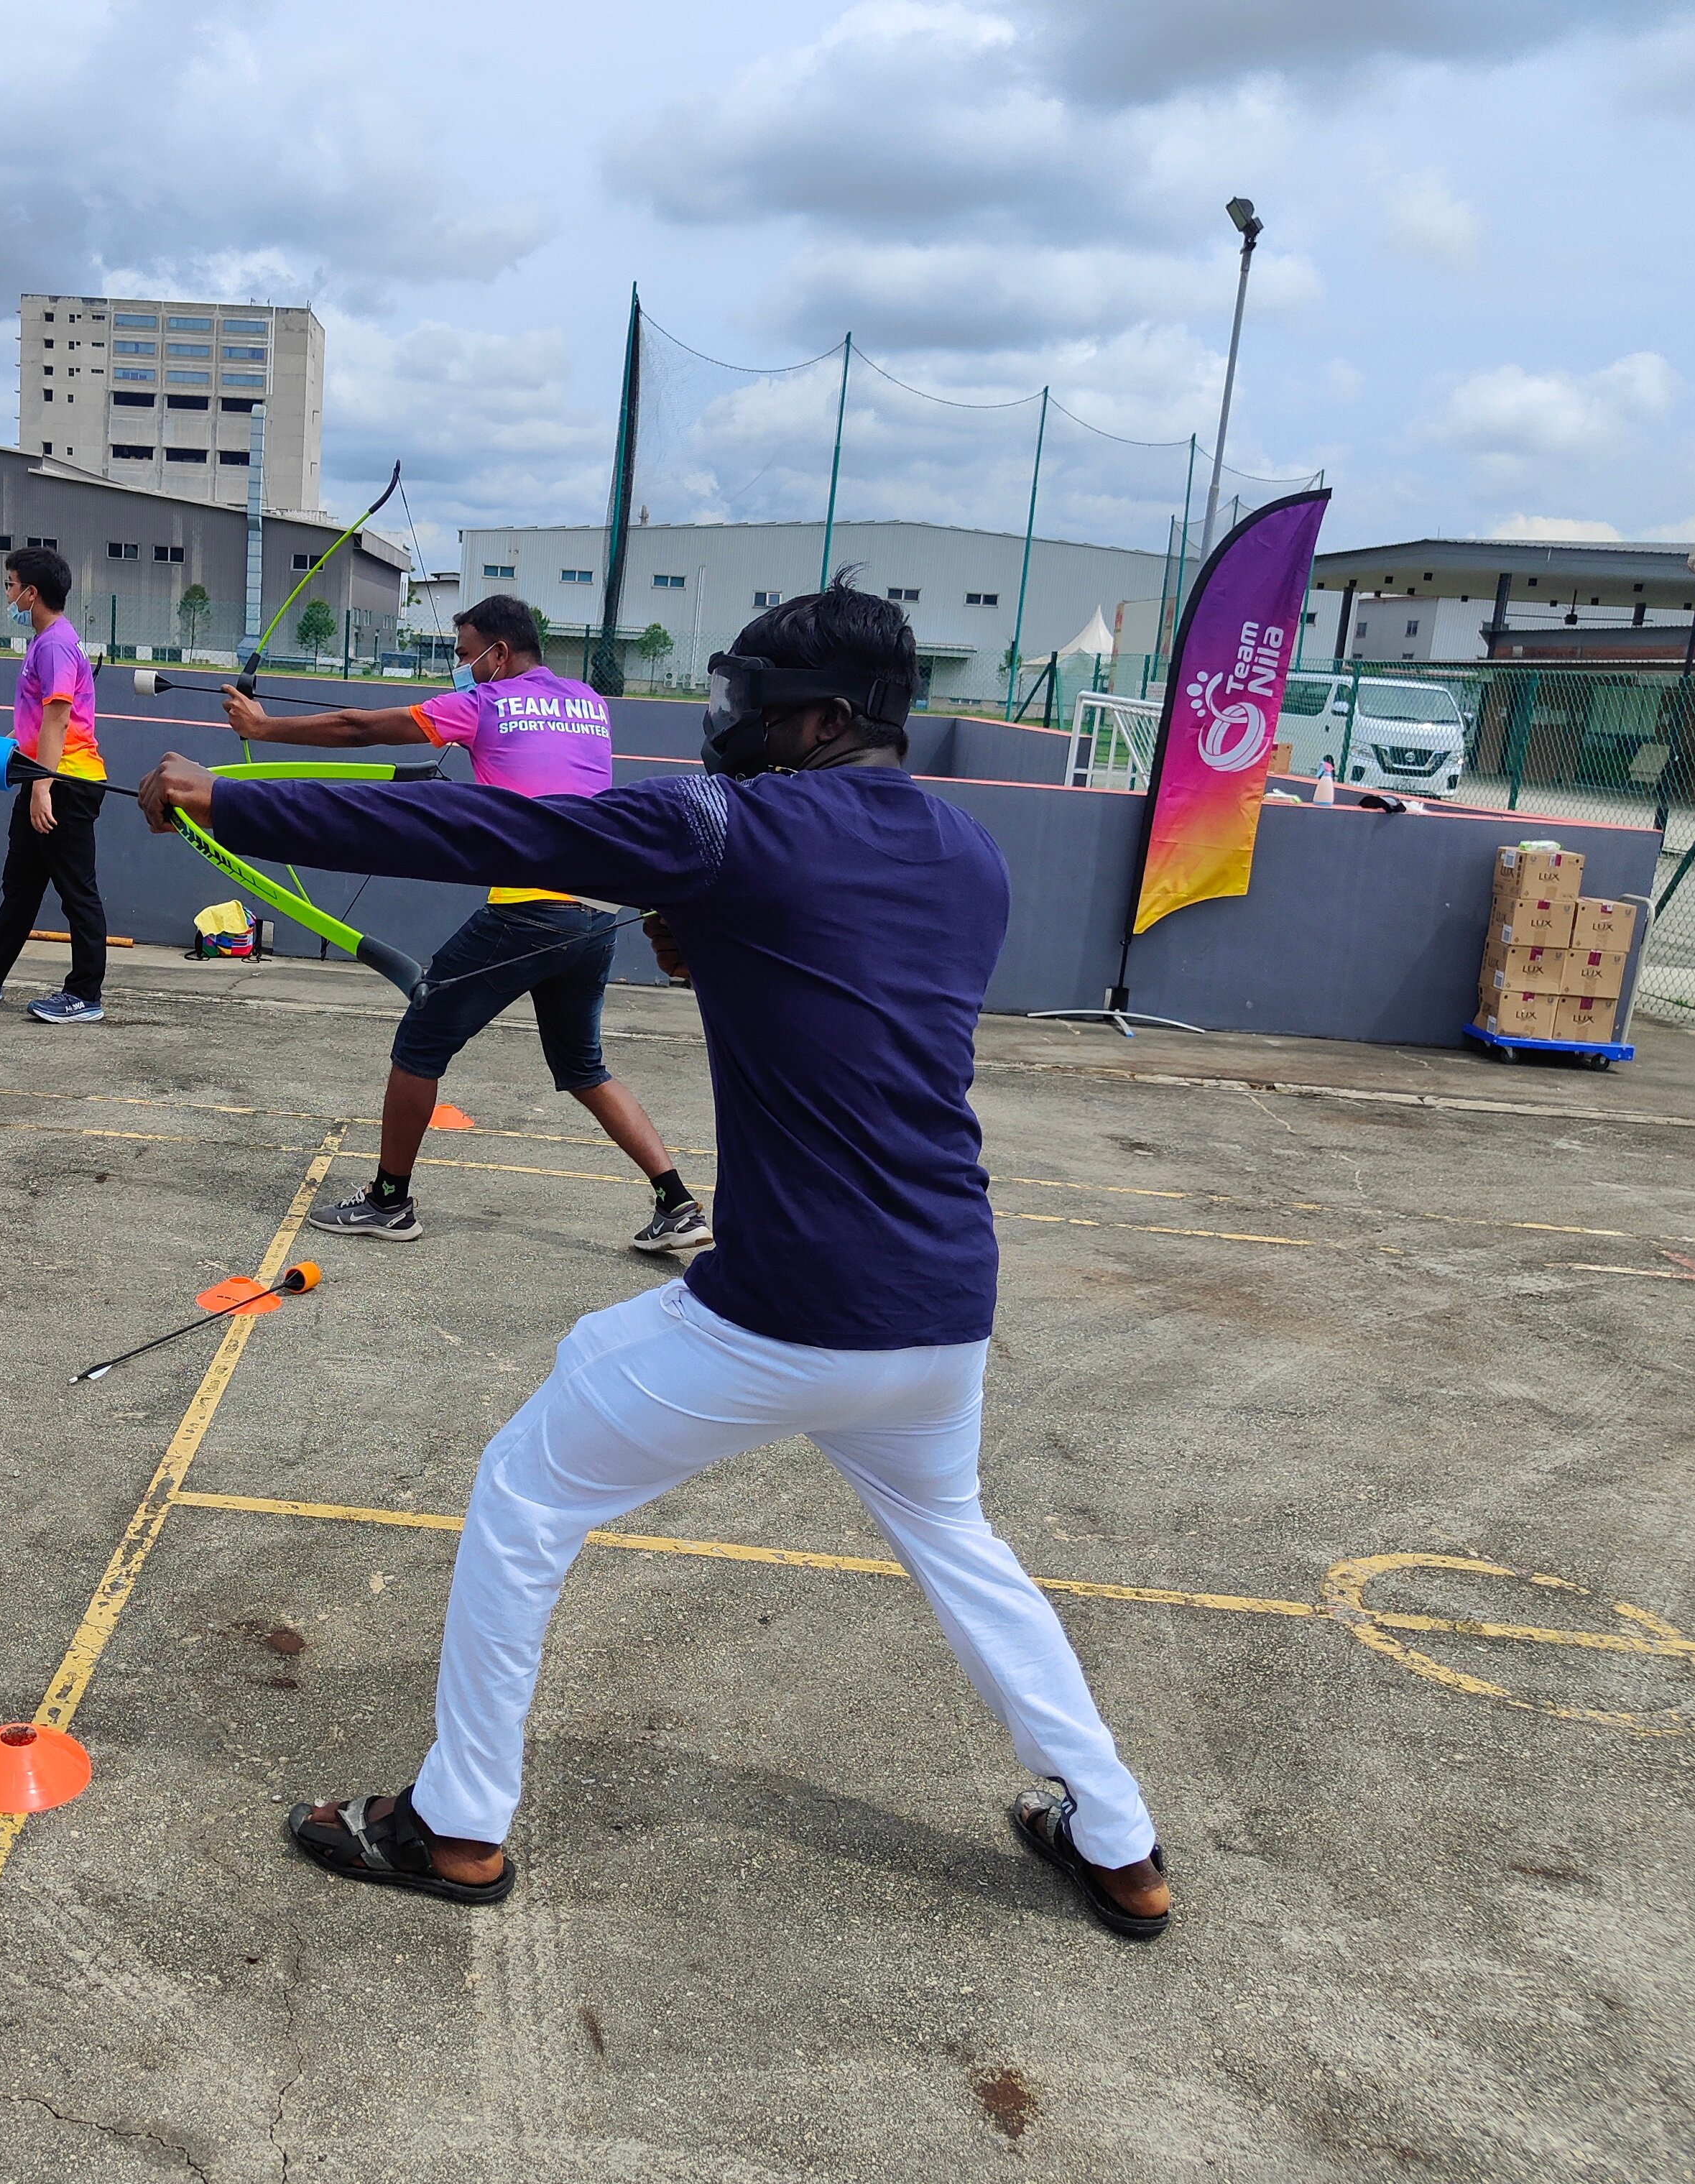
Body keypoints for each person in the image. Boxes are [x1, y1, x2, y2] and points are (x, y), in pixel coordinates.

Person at [137, 584, 1170, 1942]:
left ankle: (456, 1824)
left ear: (823, 719)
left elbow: (493, 827)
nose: (729, 722)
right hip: (942, 1304)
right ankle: (1120, 1838)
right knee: (959, 1541)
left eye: (755, 703)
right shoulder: (970, 852)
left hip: (795, 1308)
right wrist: (711, 950)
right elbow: (849, 992)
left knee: (525, 1484)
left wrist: (235, 799)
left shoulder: (727, 822)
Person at [217, 594, 708, 1256]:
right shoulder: (590, 702)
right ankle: (676, 1203)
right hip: (597, 910)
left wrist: (265, 728)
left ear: (498, 654)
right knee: (584, 1066)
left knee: (420, 1042)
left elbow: (364, 727)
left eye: (466, 655)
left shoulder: (488, 702)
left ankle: (390, 1203)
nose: (464, 668)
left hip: (530, 912)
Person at [0, 545, 108, 1024]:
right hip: (47, 773)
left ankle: (84, 995)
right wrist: (15, 745)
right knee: (22, 884)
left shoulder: (54, 645)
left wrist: (41, 789)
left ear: (31, 593)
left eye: (10, 585)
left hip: (65, 783)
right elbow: (44, 720)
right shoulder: (51, 640)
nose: (8, 595)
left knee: (78, 891)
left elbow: (58, 720)